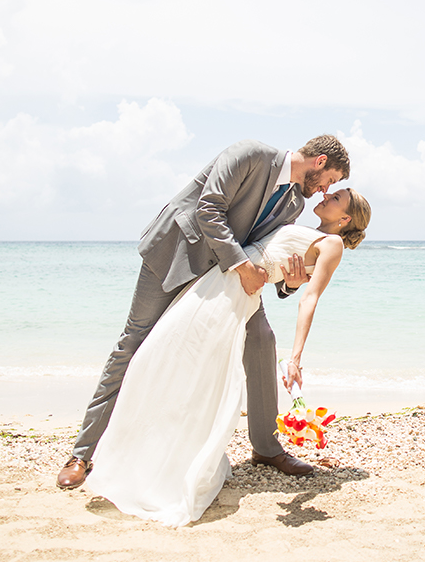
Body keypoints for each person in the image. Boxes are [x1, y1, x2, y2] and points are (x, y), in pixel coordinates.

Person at [57, 136, 350, 490]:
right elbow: (208, 209)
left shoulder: (292, 205)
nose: (324, 191)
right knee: (132, 345)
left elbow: (267, 252)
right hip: (176, 255)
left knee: (261, 341)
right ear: (319, 161)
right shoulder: (250, 155)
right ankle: (82, 454)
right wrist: (242, 268)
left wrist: (289, 283)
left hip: (223, 275)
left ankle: (267, 448)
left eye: (331, 189)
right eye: (329, 180)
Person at [87, 189, 372, 526]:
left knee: (188, 367)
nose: (326, 194)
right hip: (218, 279)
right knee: (165, 356)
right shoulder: (300, 225)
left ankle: (174, 461)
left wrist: (295, 357)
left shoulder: (332, 245)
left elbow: (309, 298)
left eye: (336, 196)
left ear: (345, 219)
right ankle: (135, 451)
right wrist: (289, 280)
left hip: (232, 293)